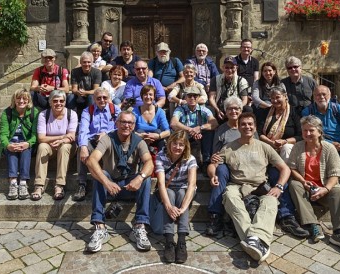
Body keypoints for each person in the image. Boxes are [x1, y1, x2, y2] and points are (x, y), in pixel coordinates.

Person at [207, 112, 291, 263]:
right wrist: (213, 174)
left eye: (250, 124)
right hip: (237, 185)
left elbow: (285, 168)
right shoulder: (229, 147)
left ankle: (252, 239)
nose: (247, 127)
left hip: (260, 186)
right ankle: (258, 241)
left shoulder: (265, 147)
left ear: (255, 127)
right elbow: (213, 164)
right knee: (230, 197)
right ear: (238, 127)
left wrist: (278, 186)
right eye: (244, 124)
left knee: (271, 202)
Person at [85, 111, 154, 253]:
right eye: (123, 122)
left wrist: (140, 177)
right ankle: (100, 227)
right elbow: (91, 160)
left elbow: (149, 163)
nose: (126, 125)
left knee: (145, 178)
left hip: (129, 187)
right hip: (109, 186)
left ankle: (139, 226)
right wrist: (106, 181)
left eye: (130, 123)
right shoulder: (107, 139)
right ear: (117, 123)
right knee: (99, 174)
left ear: (134, 125)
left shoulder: (138, 141)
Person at [288, 115, 340, 252]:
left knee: (338, 191)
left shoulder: (329, 148)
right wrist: (303, 181)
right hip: (306, 188)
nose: (307, 134)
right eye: (304, 130)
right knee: (294, 185)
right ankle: (313, 224)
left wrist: (325, 189)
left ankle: (339, 232)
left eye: (311, 130)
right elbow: (292, 168)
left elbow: (335, 174)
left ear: (319, 132)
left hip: (325, 189)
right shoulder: (297, 147)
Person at [256, 87, 309, 238]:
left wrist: (284, 140)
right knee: (276, 177)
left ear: (285, 96)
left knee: (285, 150)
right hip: (268, 150)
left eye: (278, 97)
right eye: (272, 98)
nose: (275, 101)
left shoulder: (293, 113)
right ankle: (287, 217)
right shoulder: (266, 112)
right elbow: (259, 132)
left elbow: (300, 135)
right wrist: (270, 142)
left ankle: (287, 216)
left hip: (286, 153)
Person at [156, 130, 198, 264]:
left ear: (186, 146)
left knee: (181, 193)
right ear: (169, 143)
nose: (177, 147)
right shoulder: (161, 156)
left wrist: (183, 208)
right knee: (169, 193)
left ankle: (181, 240)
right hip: (168, 187)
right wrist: (168, 207)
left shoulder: (190, 159)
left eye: (181, 144)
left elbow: (192, 184)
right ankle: (169, 240)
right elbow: (161, 184)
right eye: (175, 143)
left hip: (184, 189)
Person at [73, 87, 121, 202]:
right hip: (92, 140)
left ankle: (111, 180)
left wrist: (106, 133)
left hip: (109, 140)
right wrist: (83, 146)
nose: (102, 100)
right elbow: (83, 130)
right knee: (82, 148)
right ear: (94, 99)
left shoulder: (115, 109)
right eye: (99, 98)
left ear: (109, 98)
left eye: (105, 97)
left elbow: (120, 127)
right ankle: (82, 184)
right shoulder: (87, 111)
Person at [206, 96, 243, 235]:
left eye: (236, 108)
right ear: (225, 112)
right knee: (220, 170)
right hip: (226, 166)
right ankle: (215, 216)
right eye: (230, 109)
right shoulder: (221, 130)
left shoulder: (248, 126)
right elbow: (215, 158)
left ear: (241, 110)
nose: (233, 111)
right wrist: (212, 175)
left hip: (246, 165)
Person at [31, 90, 78, 201]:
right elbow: (41, 138)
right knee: (42, 146)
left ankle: (59, 185)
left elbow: (71, 136)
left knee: (65, 147)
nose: (58, 103)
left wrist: (63, 141)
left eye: (61, 101)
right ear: (50, 102)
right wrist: (61, 137)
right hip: (49, 146)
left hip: (68, 148)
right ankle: (39, 185)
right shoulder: (44, 114)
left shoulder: (72, 114)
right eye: (55, 101)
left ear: (65, 102)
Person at [0, 88, 39, 200]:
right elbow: (3, 134)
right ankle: (12, 182)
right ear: (14, 100)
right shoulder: (7, 113)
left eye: (24, 98)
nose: (21, 101)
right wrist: (7, 145)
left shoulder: (34, 112)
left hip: (26, 142)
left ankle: (22, 183)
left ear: (28, 100)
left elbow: (36, 134)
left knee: (25, 151)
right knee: (12, 150)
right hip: (11, 141)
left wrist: (28, 143)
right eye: (18, 98)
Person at [170, 86, 218, 175]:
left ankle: (206, 162)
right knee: (179, 134)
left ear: (199, 97)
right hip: (186, 135)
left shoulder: (204, 110)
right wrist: (190, 130)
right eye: (190, 96)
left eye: (195, 96)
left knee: (210, 132)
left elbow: (214, 123)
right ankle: (181, 161)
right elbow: (173, 123)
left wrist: (200, 128)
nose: (192, 98)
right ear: (185, 98)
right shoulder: (180, 109)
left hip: (200, 135)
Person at [209, 56, 251, 122]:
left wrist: (237, 109)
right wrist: (217, 110)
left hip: (236, 107)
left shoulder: (242, 81)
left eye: (232, 67)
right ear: (223, 68)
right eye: (227, 67)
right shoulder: (215, 79)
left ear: (236, 68)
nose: (229, 70)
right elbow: (211, 98)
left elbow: (244, 100)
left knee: (248, 109)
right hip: (220, 108)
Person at [133, 85, 170, 152]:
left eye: (150, 94)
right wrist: (141, 135)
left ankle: (160, 158)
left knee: (158, 131)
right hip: (141, 140)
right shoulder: (135, 111)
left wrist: (158, 136)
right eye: (145, 94)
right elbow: (130, 130)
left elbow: (167, 131)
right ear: (142, 96)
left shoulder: (160, 112)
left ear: (154, 96)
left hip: (156, 139)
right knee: (139, 131)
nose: (148, 97)